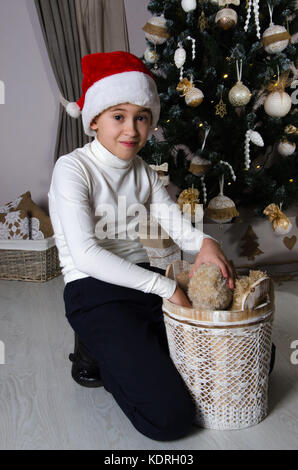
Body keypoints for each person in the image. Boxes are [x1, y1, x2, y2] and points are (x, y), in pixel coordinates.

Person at [48, 51, 234, 442]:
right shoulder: (72, 168)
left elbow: (180, 229)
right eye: (118, 116)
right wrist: (168, 289)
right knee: (170, 419)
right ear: (94, 120)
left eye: (141, 117)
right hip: (91, 289)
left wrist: (207, 243)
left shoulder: (144, 173)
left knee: (248, 362)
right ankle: (97, 352)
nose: (131, 129)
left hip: (140, 282)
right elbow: (86, 255)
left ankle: (127, 347)